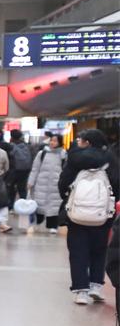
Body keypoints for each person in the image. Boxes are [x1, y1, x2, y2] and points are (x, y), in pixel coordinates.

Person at [59, 129, 119, 305]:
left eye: (81, 140)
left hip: (76, 214)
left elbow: (63, 183)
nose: (78, 142)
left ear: (87, 142)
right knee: (100, 250)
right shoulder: (110, 158)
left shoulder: (74, 159)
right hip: (103, 214)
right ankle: (95, 286)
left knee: (78, 251)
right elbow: (117, 183)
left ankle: (80, 291)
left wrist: (69, 200)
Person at [28, 134, 66, 234]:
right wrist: (31, 182)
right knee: (39, 204)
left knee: (54, 206)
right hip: (41, 184)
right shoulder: (42, 153)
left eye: (55, 141)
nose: (52, 142)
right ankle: (38, 223)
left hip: (56, 185)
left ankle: (53, 226)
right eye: (51, 140)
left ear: (60, 142)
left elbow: (66, 170)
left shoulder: (63, 154)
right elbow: (35, 169)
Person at [8, 129, 33, 206]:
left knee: (11, 188)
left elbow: (10, 155)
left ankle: (10, 206)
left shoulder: (11, 146)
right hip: (25, 170)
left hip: (14, 170)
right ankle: (23, 205)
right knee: (22, 188)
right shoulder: (26, 145)